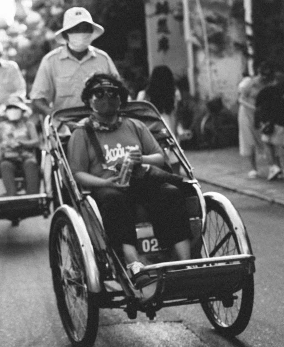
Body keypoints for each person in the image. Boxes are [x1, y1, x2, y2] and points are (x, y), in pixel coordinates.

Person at [66, 74, 191, 281]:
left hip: (140, 180)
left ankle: (185, 262)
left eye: (112, 93)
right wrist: (105, 182)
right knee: (114, 200)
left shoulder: (135, 125)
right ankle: (133, 262)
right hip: (105, 186)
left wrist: (141, 158)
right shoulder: (82, 132)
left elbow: (160, 157)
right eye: (99, 94)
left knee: (171, 194)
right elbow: (78, 173)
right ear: (89, 100)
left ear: (121, 98)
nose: (106, 98)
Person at [31, 7, 118, 116]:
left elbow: (119, 91)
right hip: (66, 126)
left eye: (86, 29)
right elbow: (38, 99)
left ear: (91, 32)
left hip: (101, 122)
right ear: (66, 34)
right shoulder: (51, 61)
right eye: (76, 29)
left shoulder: (103, 59)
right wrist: (54, 115)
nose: (81, 33)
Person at [0, 96, 41, 196]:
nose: (13, 110)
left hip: (27, 156)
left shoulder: (29, 125)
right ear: (6, 111)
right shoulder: (0, 126)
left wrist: (23, 143)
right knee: (5, 166)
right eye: (10, 108)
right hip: (7, 157)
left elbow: (36, 141)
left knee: (31, 164)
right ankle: (11, 196)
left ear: (22, 110)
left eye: (16, 108)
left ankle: (33, 197)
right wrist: (5, 146)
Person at [237, 62, 274, 179]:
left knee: (263, 139)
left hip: (259, 115)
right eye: (262, 75)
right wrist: (254, 108)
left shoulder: (267, 84)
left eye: (267, 75)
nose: (264, 78)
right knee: (249, 140)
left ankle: (272, 167)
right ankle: (253, 168)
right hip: (246, 113)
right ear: (258, 73)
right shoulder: (249, 83)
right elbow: (240, 99)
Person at [255, 74, 284, 180]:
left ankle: (273, 167)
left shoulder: (265, 91)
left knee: (268, 143)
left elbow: (258, 106)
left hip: (270, 122)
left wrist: (261, 121)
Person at [137, 65, 181, 137]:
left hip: (151, 131)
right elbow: (176, 114)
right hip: (169, 129)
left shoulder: (143, 95)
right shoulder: (175, 94)